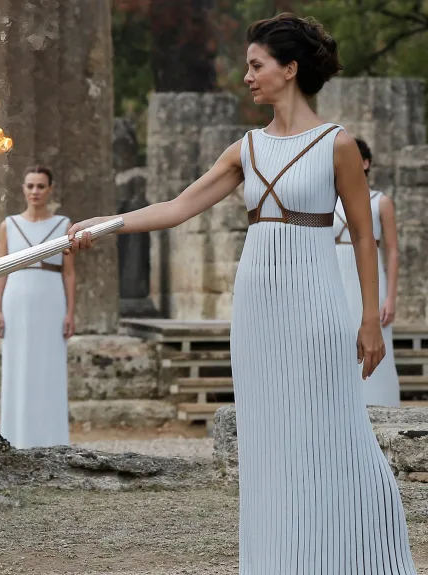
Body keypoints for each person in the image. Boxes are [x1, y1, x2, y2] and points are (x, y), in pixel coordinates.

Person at [67, 13, 415, 573]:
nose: (248, 76)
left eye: (256, 66)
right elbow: (177, 207)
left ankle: (361, 554)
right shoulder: (246, 147)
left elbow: (365, 242)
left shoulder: (338, 145)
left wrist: (369, 319)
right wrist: (109, 223)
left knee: (334, 425)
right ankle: (281, 559)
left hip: (317, 300)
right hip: (257, 307)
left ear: (290, 69)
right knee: (269, 434)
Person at [0, 165, 75, 449]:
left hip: (50, 297)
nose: (35, 192)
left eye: (40, 186)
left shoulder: (63, 225)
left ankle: (53, 440)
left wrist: (70, 312)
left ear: (49, 189)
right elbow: (0, 271)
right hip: (17, 297)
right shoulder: (9, 225)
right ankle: (16, 439)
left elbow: (69, 272)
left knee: (49, 366)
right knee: (19, 366)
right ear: (23, 189)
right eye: (30, 186)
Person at [334, 138, 401, 406]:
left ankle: (380, 405)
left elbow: (393, 250)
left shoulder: (380, 202)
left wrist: (391, 298)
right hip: (336, 273)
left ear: (365, 162)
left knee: (374, 340)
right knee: (338, 341)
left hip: (370, 276)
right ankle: (338, 407)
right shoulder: (329, 201)